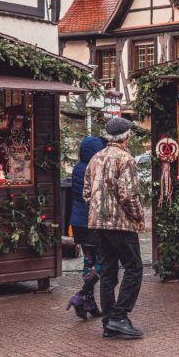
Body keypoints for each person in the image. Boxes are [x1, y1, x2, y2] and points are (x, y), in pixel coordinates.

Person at [83, 117, 147, 339]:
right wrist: (139, 215)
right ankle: (119, 316)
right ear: (126, 137)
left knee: (108, 271)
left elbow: (86, 192)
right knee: (134, 268)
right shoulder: (126, 159)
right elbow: (128, 194)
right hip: (120, 224)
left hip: (97, 224)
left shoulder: (95, 158)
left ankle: (109, 322)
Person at [66, 135, 106, 320]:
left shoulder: (77, 168)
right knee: (103, 263)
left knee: (88, 261)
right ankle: (82, 295)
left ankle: (89, 303)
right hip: (92, 223)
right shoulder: (93, 170)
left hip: (78, 223)